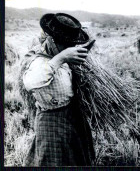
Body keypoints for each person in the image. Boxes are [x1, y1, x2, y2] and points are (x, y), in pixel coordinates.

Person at [21, 13, 95, 166]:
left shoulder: (61, 55)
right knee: (52, 162)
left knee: (73, 159)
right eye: (66, 44)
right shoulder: (39, 60)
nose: (70, 48)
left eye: (72, 44)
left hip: (71, 116)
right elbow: (30, 83)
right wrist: (62, 57)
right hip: (51, 120)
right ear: (52, 40)